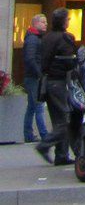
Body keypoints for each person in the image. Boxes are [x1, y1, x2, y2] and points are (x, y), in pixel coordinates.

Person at [33, 8, 77, 165]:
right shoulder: (64, 38)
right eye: (68, 19)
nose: (69, 21)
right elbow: (70, 60)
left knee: (58, 120)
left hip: (48, 82)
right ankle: (45, 145)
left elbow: (43, 60)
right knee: (67, 120)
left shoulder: (47, 37)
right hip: (59, 82)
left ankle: (61, 155)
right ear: (63, 22)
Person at [21, 13, 49, 145]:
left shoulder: (35, 37)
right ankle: (44, 135)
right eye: (43, 22)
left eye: (46, 22)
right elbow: (30, 58)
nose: (46, 24)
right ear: (35, 23)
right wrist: (39, 74)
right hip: (33, 77)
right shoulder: (33, 39)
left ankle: (28, 134)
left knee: (32, 107)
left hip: (31, 76)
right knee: (39, 106)